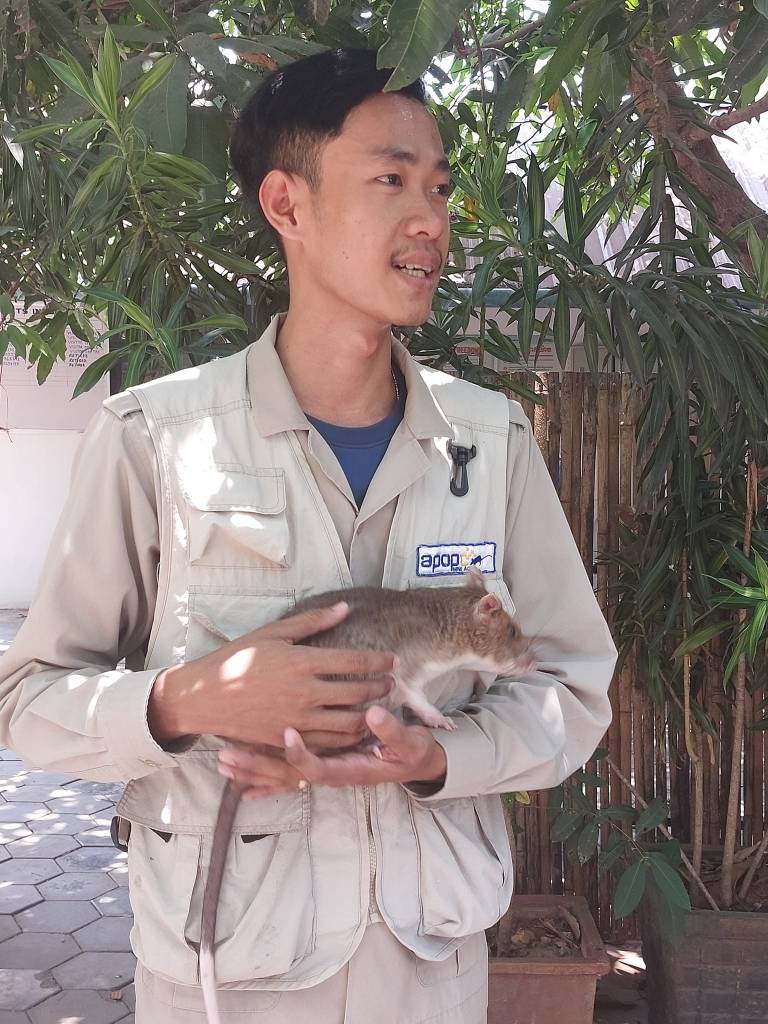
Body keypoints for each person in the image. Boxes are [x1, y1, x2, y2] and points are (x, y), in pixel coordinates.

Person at [0, 48, 617, 1023]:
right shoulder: (154, 438)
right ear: (287, 203)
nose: (432, 218)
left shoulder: (490, 442)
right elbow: (28, 701)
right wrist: (187, 697)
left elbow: (573, 688)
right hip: (230, 978)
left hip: (430, 974)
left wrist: (438, 759)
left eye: (439, 187)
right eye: (391, 180)